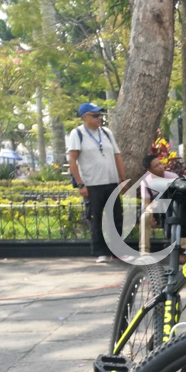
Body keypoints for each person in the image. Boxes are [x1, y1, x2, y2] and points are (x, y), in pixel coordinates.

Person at [68, 102, 126, 263]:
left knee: (115, 217)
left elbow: (117, 155)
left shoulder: (106, 133)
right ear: (85, 117)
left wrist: (122, 178)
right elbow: (72, 160)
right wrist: (80, 184)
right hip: (92, 184)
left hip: (111, 181)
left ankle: (117, 250)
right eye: (95, 115)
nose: (99, 118)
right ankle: (101, 251)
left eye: (100, 115)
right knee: (96, 219)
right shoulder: (77, 134)